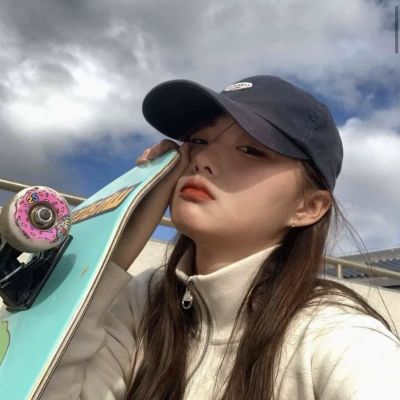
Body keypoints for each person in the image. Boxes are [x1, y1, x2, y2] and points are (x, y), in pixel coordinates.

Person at [42, 76, 400, 400]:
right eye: (198, 140)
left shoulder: (336, 336)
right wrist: (111, 246)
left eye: (251, 149)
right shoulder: (144, 300)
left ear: (309, 207)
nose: (203, 159)